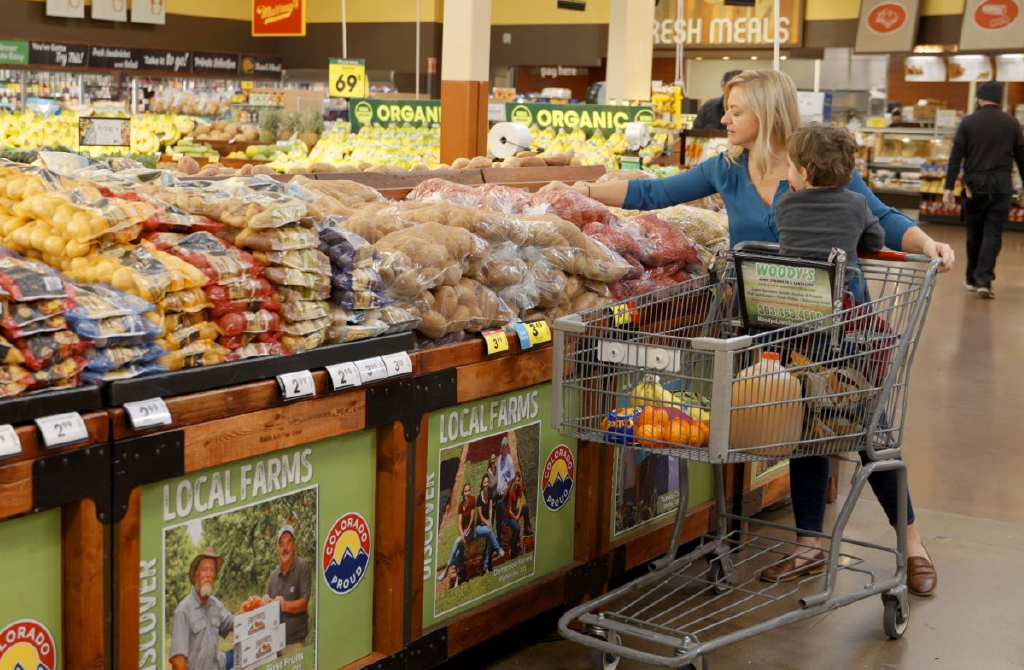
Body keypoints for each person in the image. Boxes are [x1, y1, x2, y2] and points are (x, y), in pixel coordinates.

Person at [541, 69, 954, 597]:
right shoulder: (728, 169)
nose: (724, 118)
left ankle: (912, 544)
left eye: (735, 109)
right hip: (773, 324)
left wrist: (927, 245)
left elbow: (884, 217)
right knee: (801, 428)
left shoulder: (818, 165)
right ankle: (809, 545)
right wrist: (577, 189)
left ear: (767, 111)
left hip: (841, 322)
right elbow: (653, 193)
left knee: (866, 428)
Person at [943, 80, 1024, 299]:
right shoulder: (1012, 123)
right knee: (993, 233)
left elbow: (956, 156)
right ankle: (984, 280)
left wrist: (948, 186)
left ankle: (971, 278)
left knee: (974, 233)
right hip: (1001, 186)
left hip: (974, 187)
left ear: (979, 98)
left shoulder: (968, 122)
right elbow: (1021, 157)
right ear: (999, 100)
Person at [777, 122, 885, 275]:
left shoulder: (785, 203)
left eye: (790, 167)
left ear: (804, 173)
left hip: (793, 292)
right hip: (836, 295)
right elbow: (875, 241)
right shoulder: (856, 203)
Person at [170, 547, 234, 670]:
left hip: (217, 665)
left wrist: (250, 609)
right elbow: (177, 660)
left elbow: (232, 622)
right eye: (205, 570)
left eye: (212, 570)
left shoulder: (215, 604)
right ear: (196, 575)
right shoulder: (183, 610)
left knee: (247, 653)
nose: (208, 575)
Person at [265, 523, 312, 656]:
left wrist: (284, 605)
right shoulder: (273, 576)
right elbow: (266, 605)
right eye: (281, 544)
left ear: (294, 545)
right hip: (272, 643)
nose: (284, 547)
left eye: (288, 542)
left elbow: (304, 603)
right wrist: (264, 602)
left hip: (293, 643)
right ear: (277, 549)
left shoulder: (302, 566)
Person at [437, 483, 477, 585]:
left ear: (470, 491)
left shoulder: (472, 500)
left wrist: (466, 531)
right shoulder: (460, 506)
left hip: (471, 531)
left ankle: (446, 570)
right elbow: (459, 522)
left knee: (456, 541)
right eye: (465, 491)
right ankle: (460, 577)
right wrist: (462, 534)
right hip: (463, 533)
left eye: (468, 491)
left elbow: (472, 519)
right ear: (463, 493)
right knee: (458, 553)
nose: (467, 493)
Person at [475, 473, 504, 573]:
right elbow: (480, 515)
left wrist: (490, 522)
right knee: (489, 532)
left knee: (489, 544)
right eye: (485, 482)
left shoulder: (491, 493)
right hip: (479, 527)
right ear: (482, 484)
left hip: (487, 525)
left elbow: (491, 509)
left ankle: (486, 567)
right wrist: (487, 523)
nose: (486, 484)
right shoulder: (479, 497)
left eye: (487, 482)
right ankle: (498, 548)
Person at [506, 471, 532, 556]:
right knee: (517, 529)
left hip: (514, 512)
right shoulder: (510, 493)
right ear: (513, 481)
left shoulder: (519, 488)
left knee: (526, 508)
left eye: (518, 481)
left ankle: (527, 531)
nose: (517, 483)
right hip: (509, 516)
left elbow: (521, 501)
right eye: (515, 481)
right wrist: (515, 517)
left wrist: (518, 514)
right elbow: (509, 511)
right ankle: (513, 550)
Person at [494, 436, 516, 537]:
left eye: (504, 446)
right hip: (498, 495)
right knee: (498, 521)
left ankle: (509, 542)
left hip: (504, 496)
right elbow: (499, 475)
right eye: (502, 446)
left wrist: (505, 493)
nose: (503, 448)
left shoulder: (509, 461)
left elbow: (512, 478)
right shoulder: (499, 459)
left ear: (507, 447)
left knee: (505, 521)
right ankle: (500, 544)